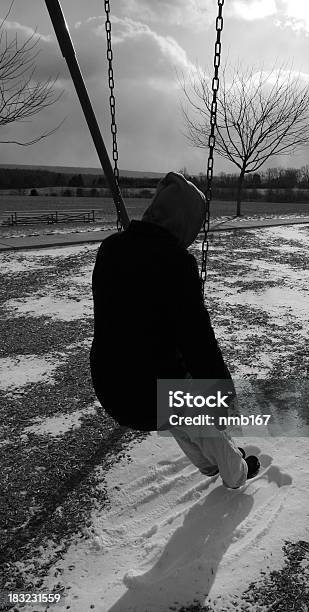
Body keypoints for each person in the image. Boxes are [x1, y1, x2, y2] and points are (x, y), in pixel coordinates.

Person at [90, 171, 260, 488]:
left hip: (110, 388)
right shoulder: (175, 264)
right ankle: (236, 473)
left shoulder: (111, 248)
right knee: (195, 405)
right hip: (146, 399)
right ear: (185, 222)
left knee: (172, 398)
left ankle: (207, 465)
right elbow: (199, 342)